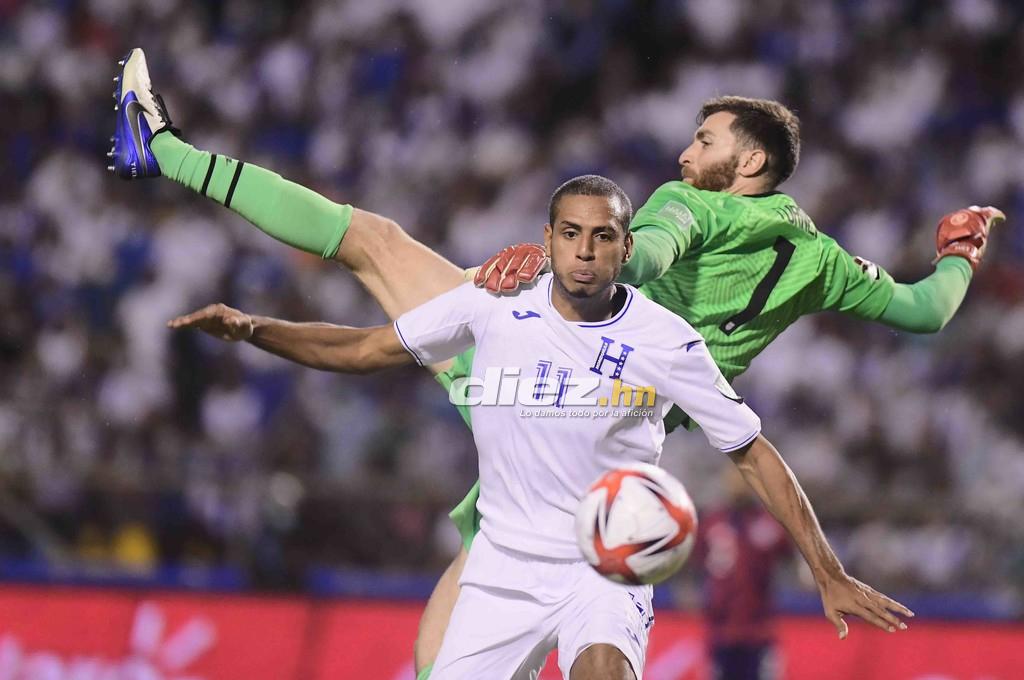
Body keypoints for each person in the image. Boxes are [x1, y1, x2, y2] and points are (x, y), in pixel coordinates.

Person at [109, 49, 999, 677]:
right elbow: (923, 311)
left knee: (371, 242)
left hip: (559, 369)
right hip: (597, 447)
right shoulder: (826, 262)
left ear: (750, 161)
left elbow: (641, 255)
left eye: (707, 139)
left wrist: (550, 261)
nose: (688, 153)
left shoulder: (692, 207)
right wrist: (960, 248)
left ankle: (164, 152)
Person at [168, 175, 912, 679]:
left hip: (605, 565)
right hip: (500, 569)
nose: (585, 252)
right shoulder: (492, 303)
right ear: (548, 237)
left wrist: (827, 570)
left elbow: (752, 452)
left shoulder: (664, 341)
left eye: (602, 238)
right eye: (570, 234)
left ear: (628, 247)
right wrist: (254, 328)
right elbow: (365, 349)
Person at [694, 465, 793, 680]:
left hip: (758, 627)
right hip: (722, 628)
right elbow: (696, 561)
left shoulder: (766, 521)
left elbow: (789, 553)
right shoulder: (713, 522)